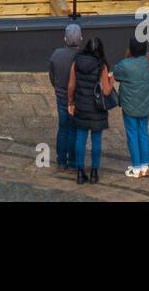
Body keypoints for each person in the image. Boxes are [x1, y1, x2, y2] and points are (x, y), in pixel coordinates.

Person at [66, 35, 114, 184]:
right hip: (97, 109)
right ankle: (94, 172)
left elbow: (71, 86)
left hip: (81, 105)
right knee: (96, 139)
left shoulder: (77, 62)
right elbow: (106, 91)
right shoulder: (102, 65)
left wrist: (70, 103)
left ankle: (80, 172)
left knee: (80, 138)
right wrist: (111, 81)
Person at [113, 37, 149, 178]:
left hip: (130, 106)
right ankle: (145, 165)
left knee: (132, 134)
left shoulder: (125, 64)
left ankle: (136, 167)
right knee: (143, 132)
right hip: (146, 105)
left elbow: (116, 74)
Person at [48, 23, 83, 172]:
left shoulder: (56, 54)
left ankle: (61, 161)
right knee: (74, 130)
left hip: (61, 96)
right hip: (77, 98)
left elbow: (52, 76)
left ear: (65, 38)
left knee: (63, 128)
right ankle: (73, 162)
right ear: (81, 38)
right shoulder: (82, 57)